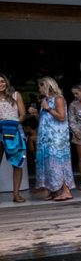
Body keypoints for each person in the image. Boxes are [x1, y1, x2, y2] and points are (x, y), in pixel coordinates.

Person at [0, 74, 27, 203]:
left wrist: (11, 123)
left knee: (18, 163)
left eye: (2, 81)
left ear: (6, 82)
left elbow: (22, 115)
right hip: (0, 132)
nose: (0, 84)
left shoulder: (16, 95)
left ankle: (16, 194)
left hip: (15, 131)